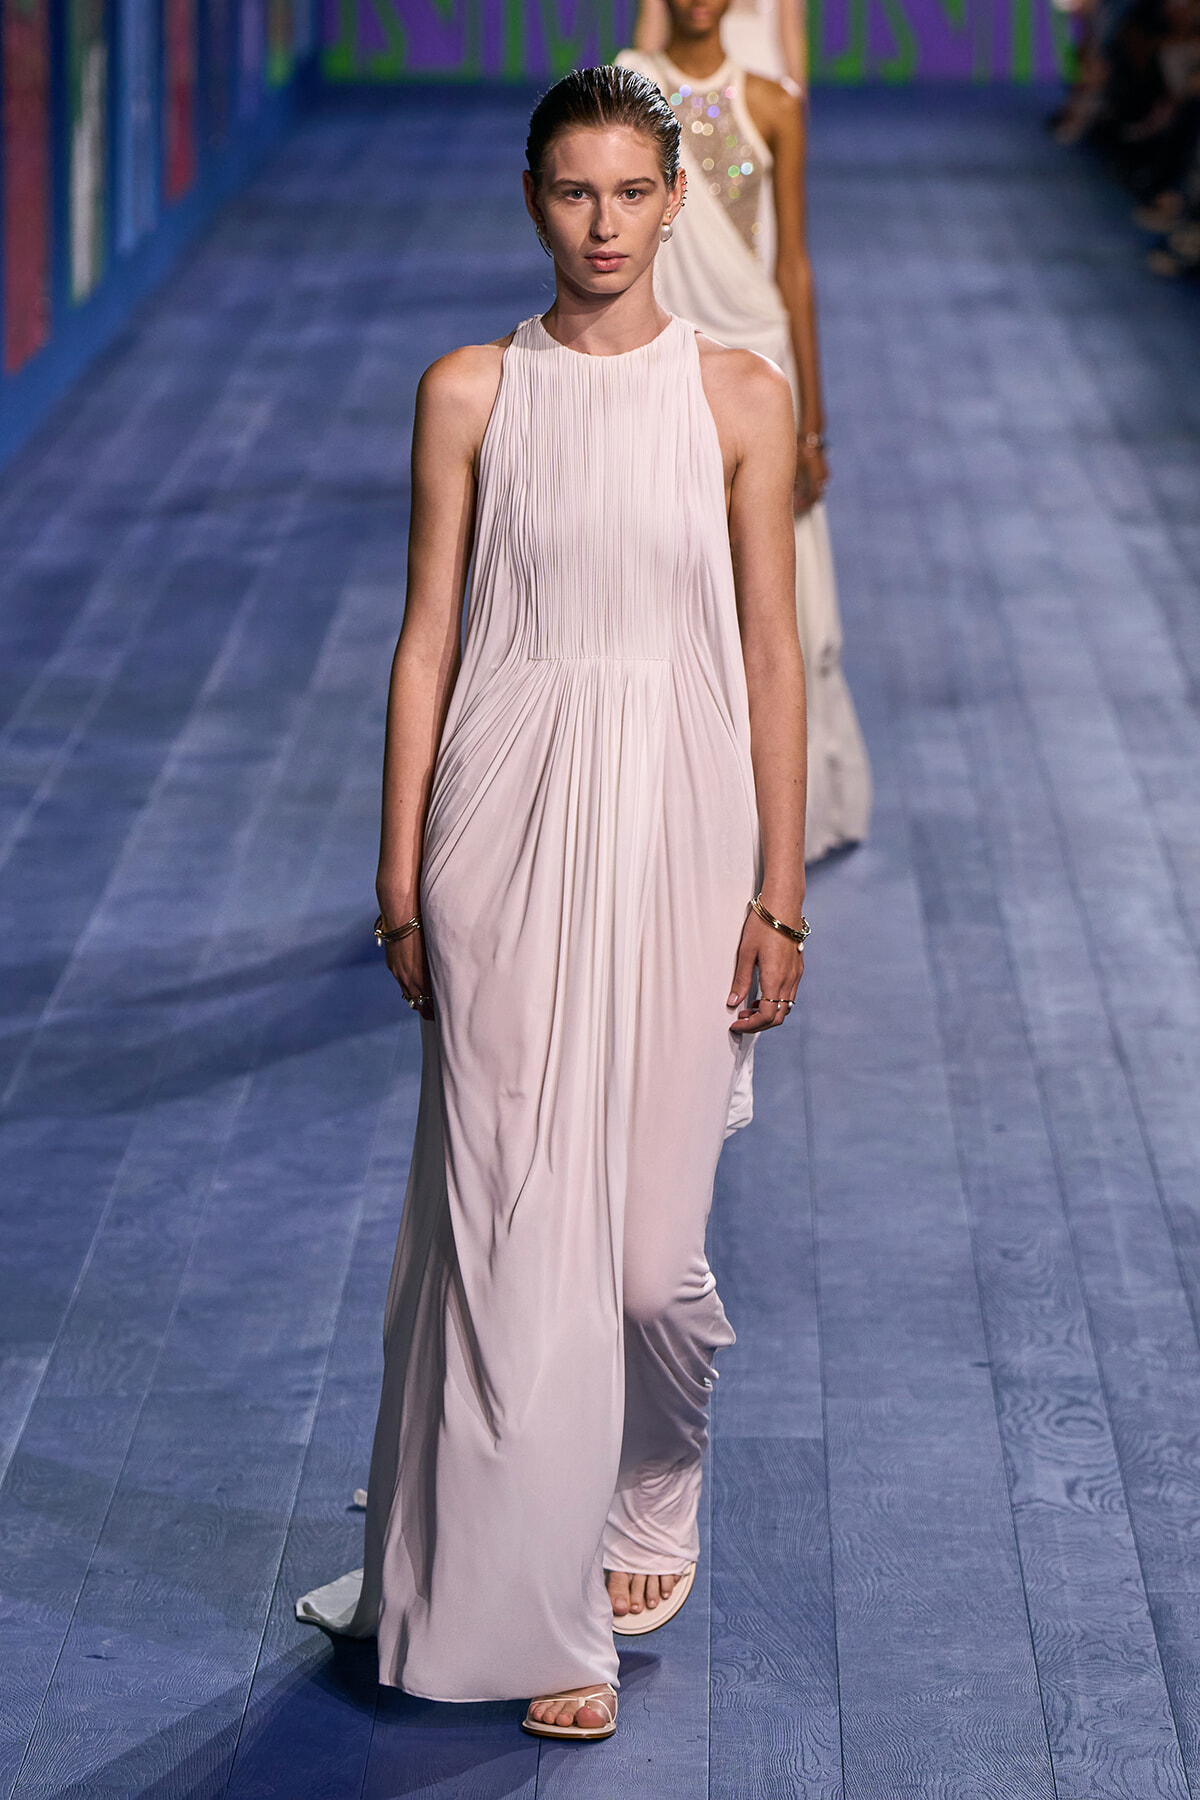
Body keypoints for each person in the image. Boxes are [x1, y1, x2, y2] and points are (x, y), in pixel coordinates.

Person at [295, 65, 809, 1743]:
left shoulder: (738, 397)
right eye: (574, 191)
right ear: (534, 198)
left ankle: (656, 1477)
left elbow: (770, 654)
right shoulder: (468, 390)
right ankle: (548, 1622)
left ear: (677, 200)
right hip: (499, 825)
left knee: (649, 1267)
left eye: (632, 192)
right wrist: (399, 875)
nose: (603, 224)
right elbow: (426, 637)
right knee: (512, 1236)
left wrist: (780, 889)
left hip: (681, 825)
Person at [618, 0, 872, 865]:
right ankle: (674, 809)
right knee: (666, 581)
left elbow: (792, 262)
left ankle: (780, 822)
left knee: (775, 601)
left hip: (758, 362)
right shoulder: (630, 89)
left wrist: (813, 423)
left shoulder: (772, 101)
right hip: (662, 361)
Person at [635, 0, 808, 90]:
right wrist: (641, 88)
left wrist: (797, 99)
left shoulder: (779, 101)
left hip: (766, 83)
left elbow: (791, 31)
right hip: (689, 83)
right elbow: (653, 23)